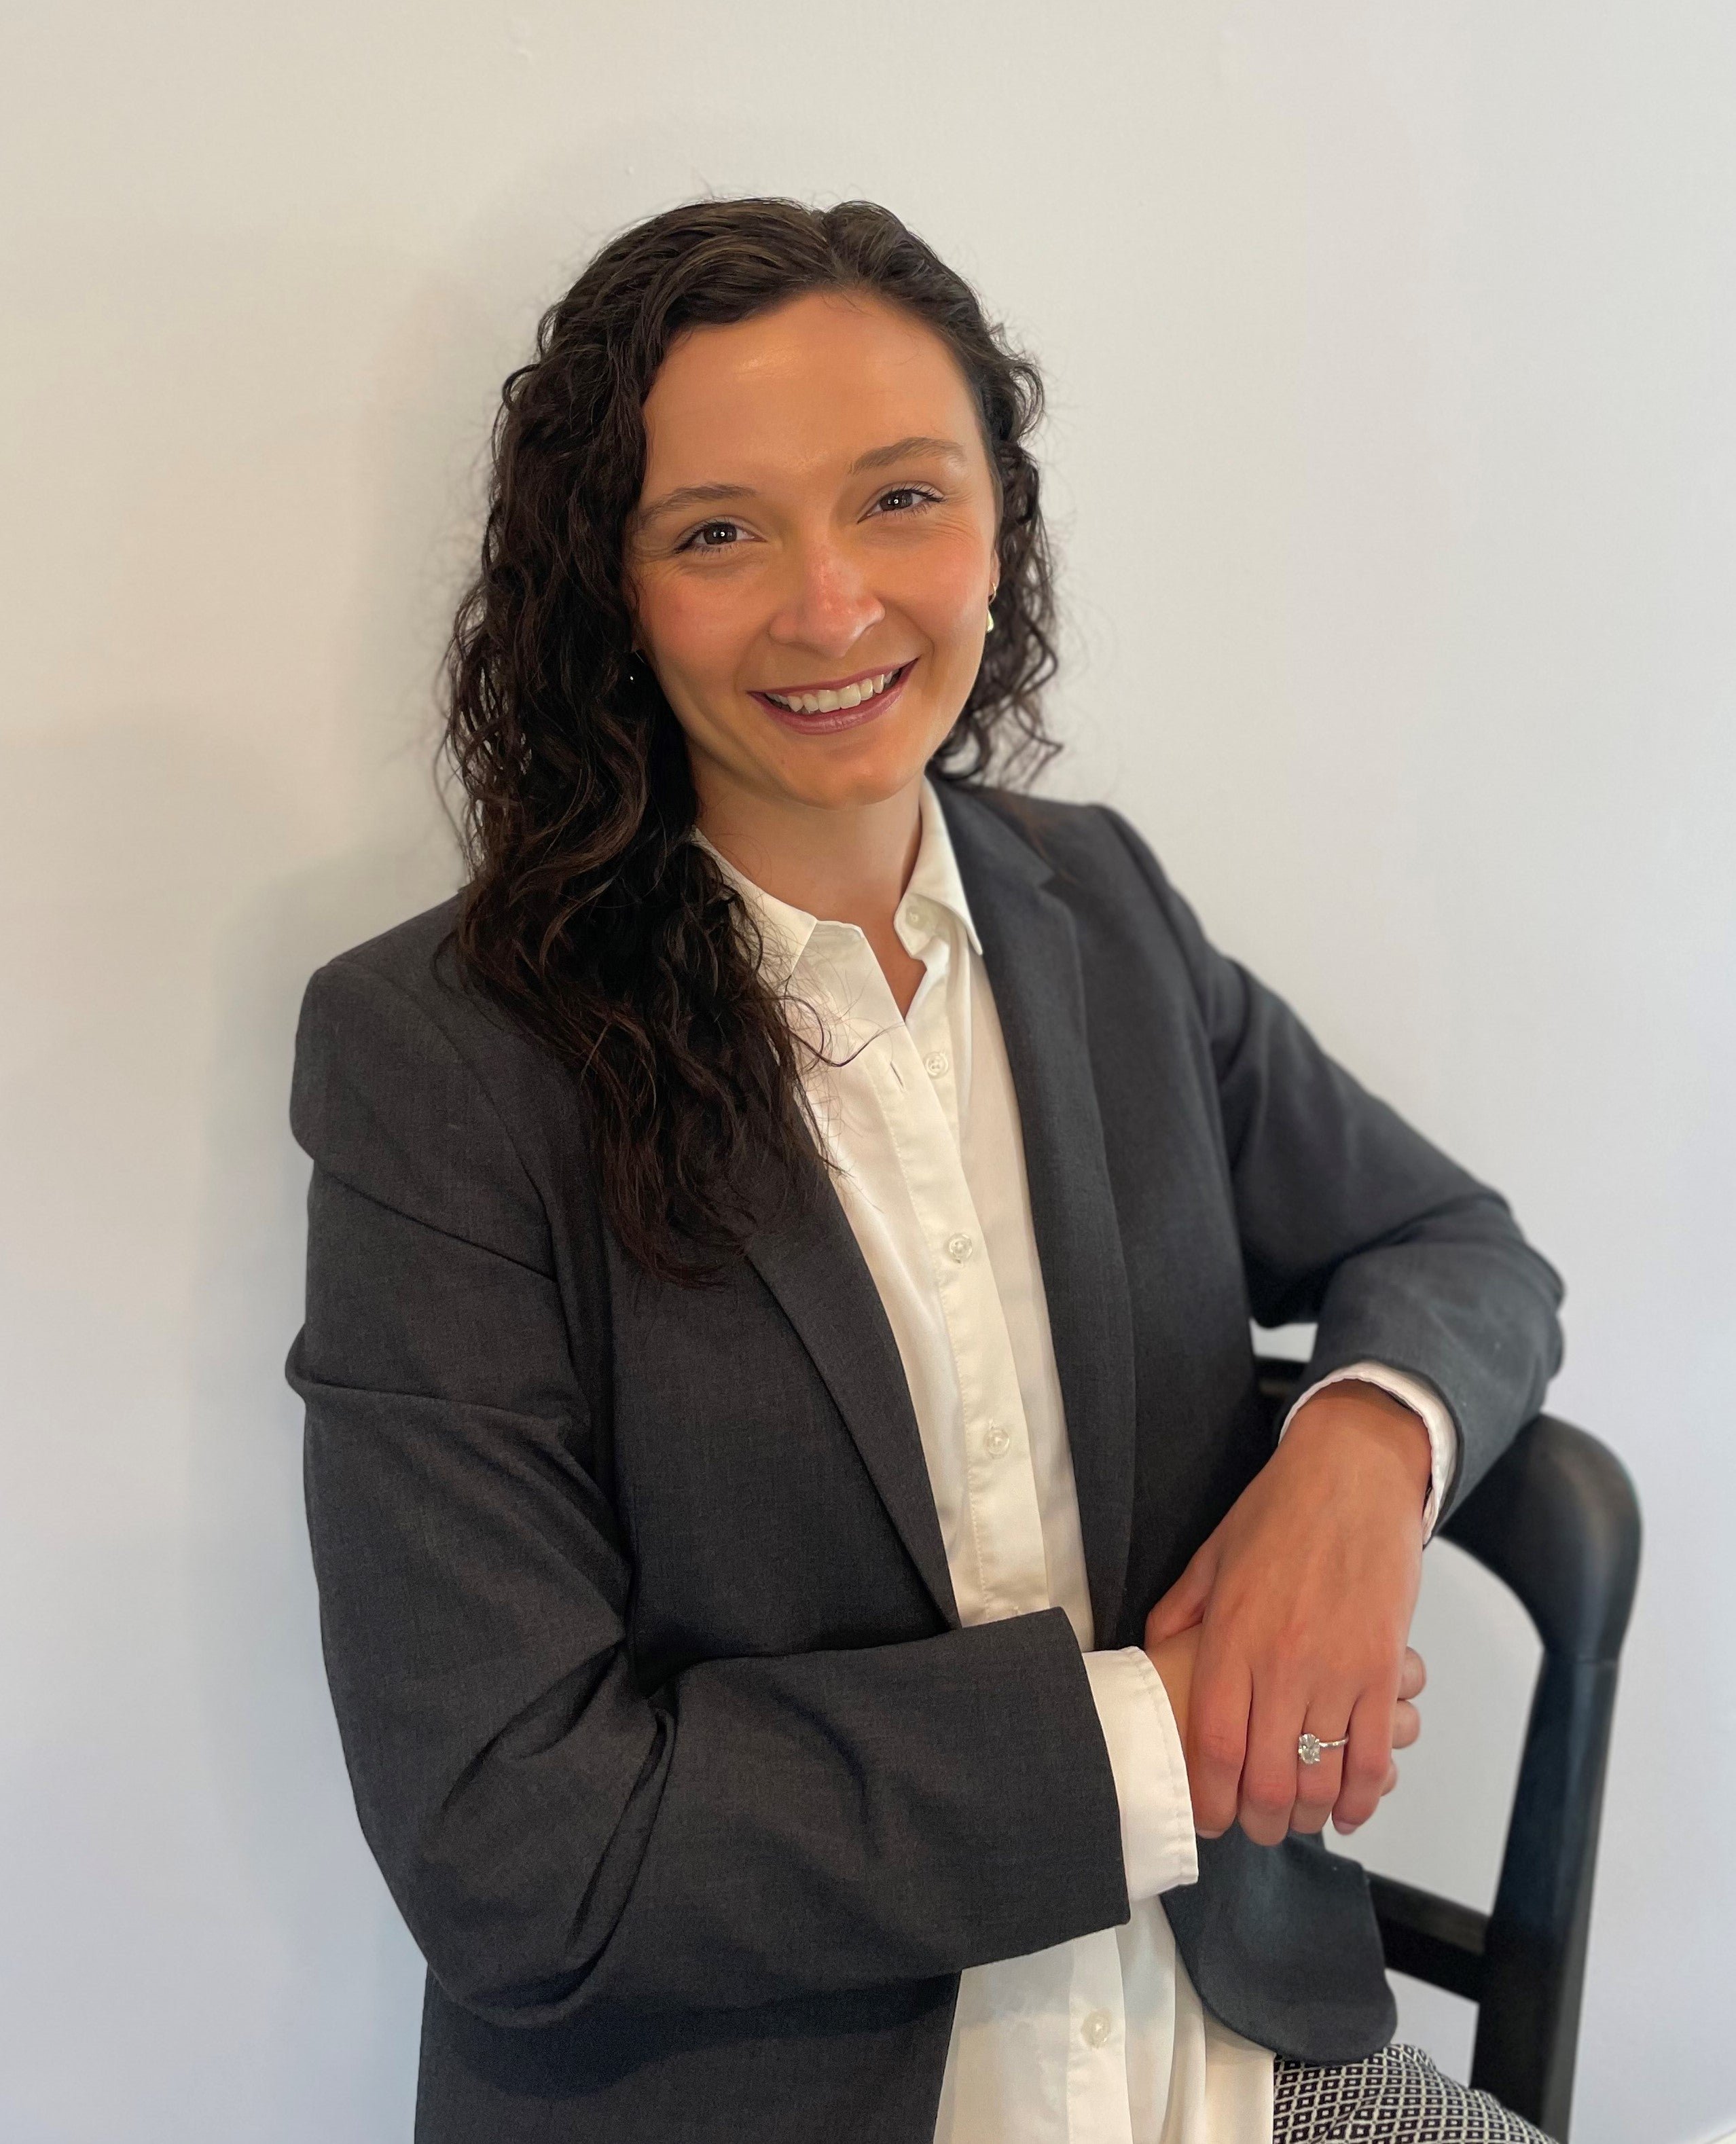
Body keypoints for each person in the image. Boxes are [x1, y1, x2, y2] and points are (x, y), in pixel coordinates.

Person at [287, 198, 1565, 2144]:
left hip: (1229, 2053)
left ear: (1000, 525)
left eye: (900, 498)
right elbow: (517, 1841)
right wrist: (1176, 1729)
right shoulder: (443, 1061)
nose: (830, 603)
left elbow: (1450, 1244)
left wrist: (1357, 1461)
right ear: (607, 590)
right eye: (717, 531)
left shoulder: (1102, 908)